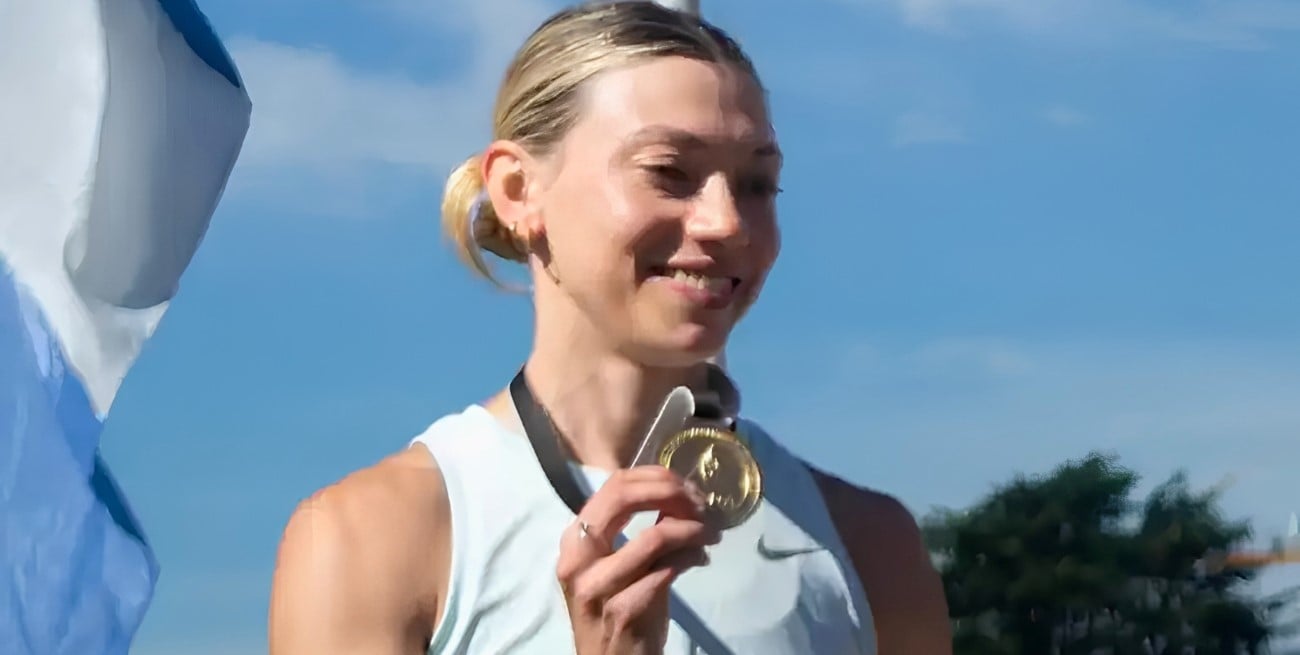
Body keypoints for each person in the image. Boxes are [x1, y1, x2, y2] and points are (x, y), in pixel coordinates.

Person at [268, 2, 951, 654]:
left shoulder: (869, 546)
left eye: (756, 184)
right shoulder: (374, 538)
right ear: (518, 190)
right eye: (669, 172)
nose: (727, 223)